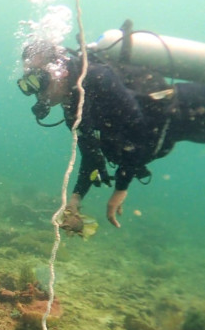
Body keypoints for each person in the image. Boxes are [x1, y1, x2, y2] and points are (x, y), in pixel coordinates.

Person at [18, 40, 205, 229]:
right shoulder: (73, 107)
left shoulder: (99, 78)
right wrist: (75, 200)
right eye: (28, 83)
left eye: (39, 79)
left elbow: (139, 132)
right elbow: (91, 156)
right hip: (184, 125)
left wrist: (121, 187)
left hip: (193, 106)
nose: (36, 92)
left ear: (62, 70)